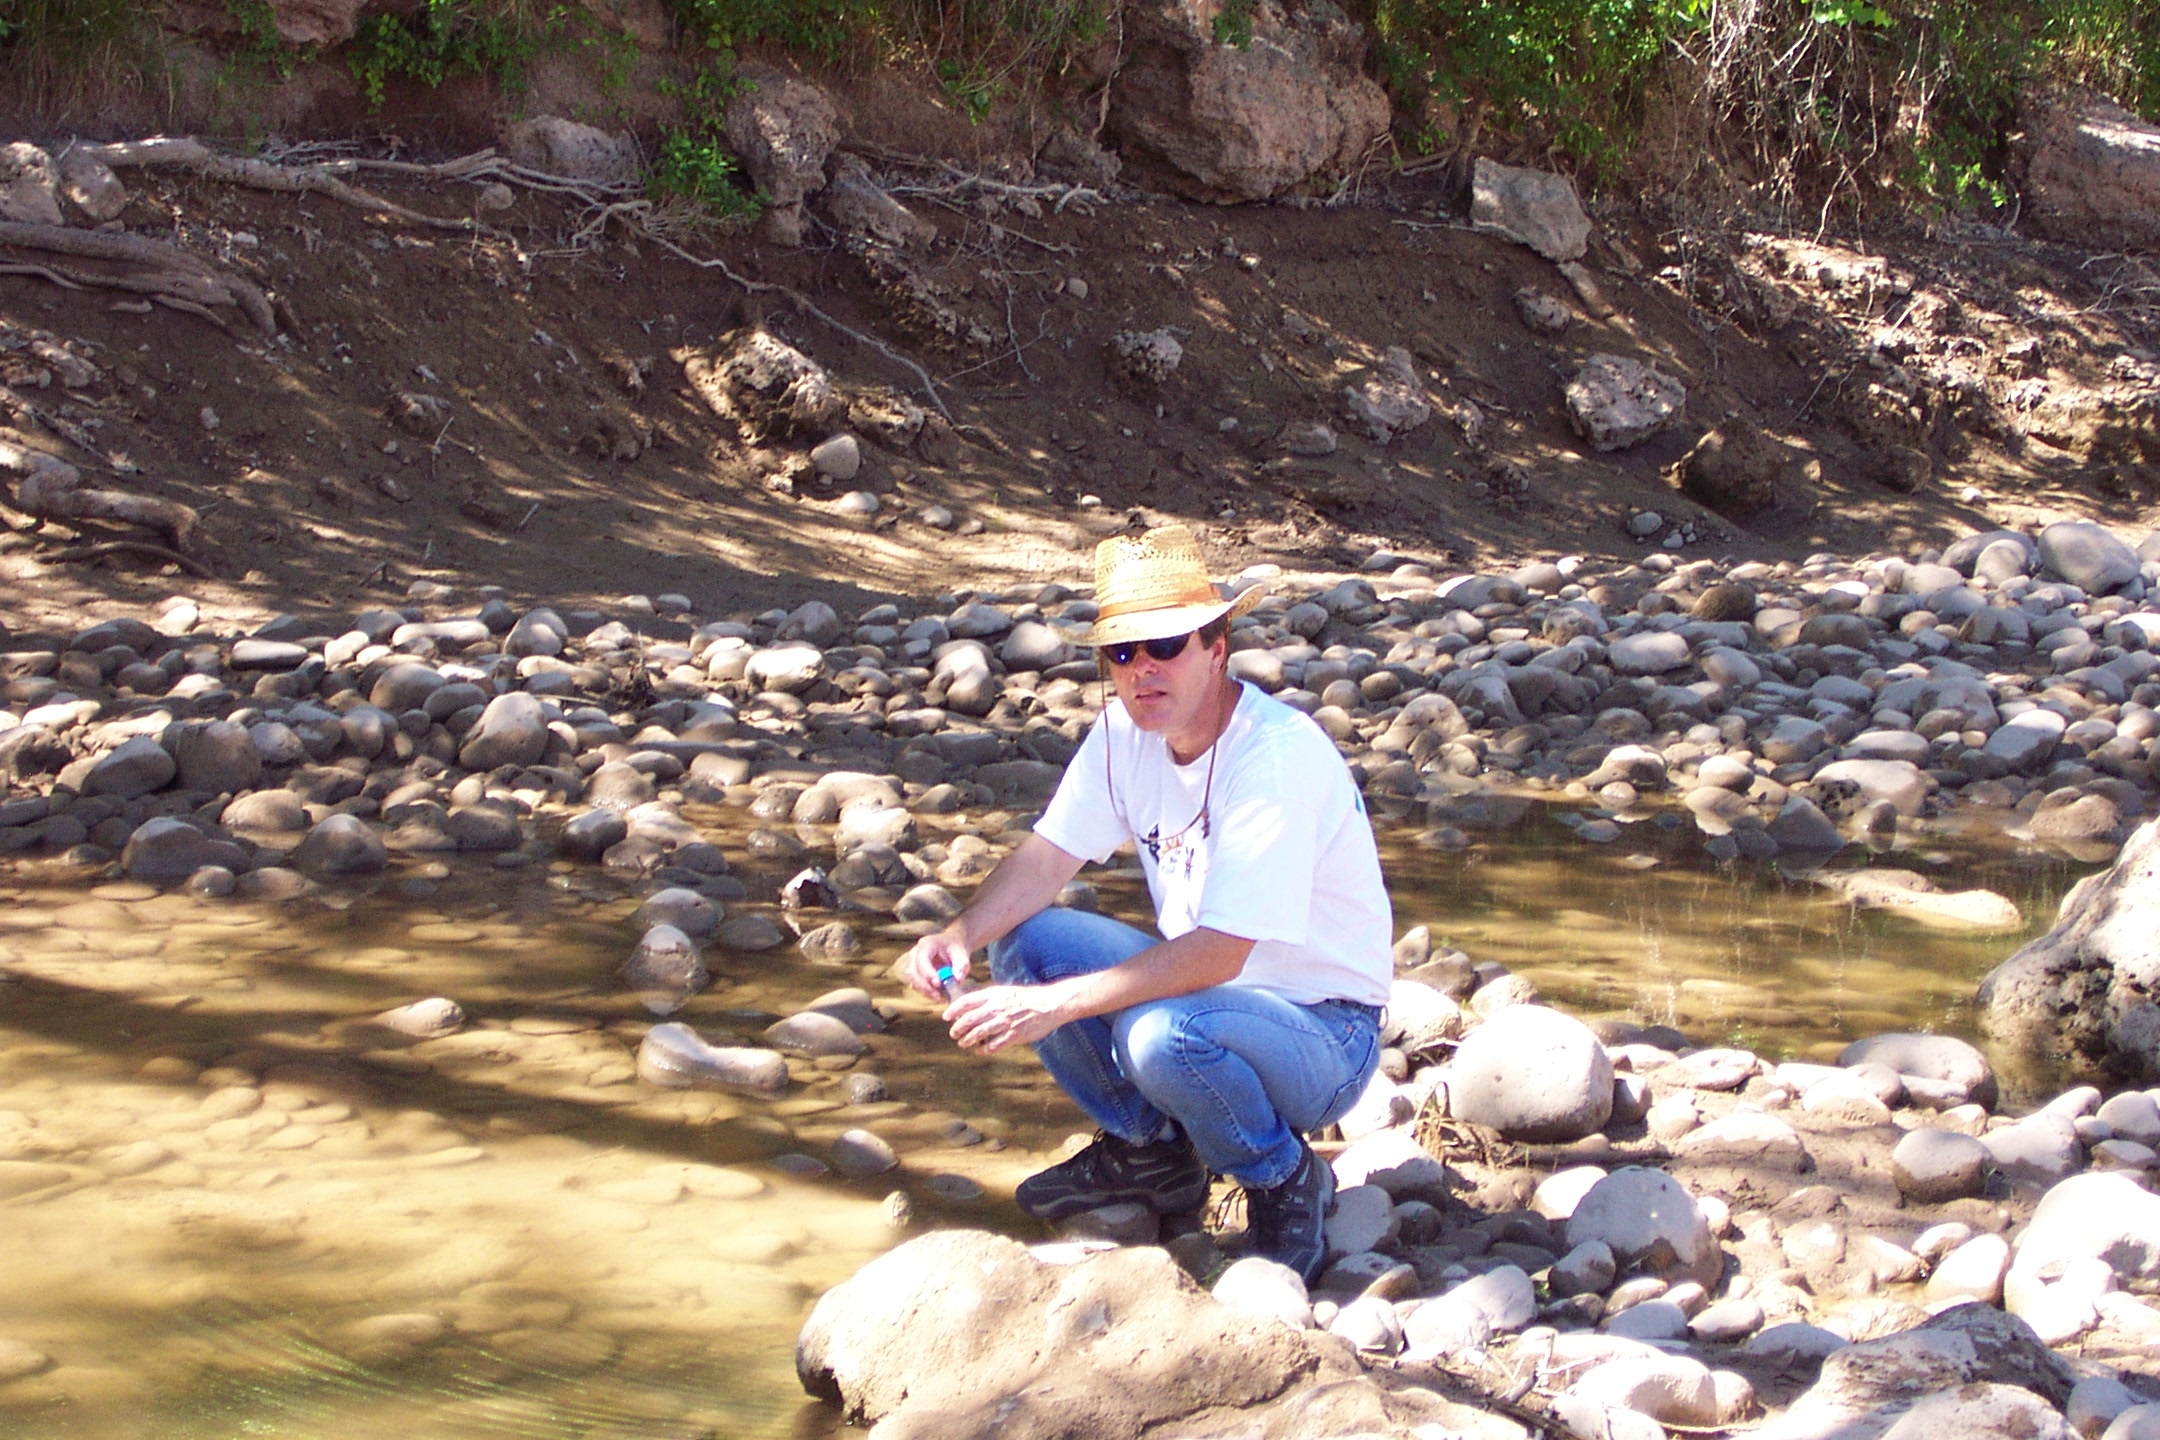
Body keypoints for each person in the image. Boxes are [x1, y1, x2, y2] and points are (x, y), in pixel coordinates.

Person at [902, 524, 1394, 1282]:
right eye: (1122, 653)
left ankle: (1281, 1175)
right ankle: (1152, 1154)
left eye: (1164, 646)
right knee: (1026, 945)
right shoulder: (1122, 735)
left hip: (1325, 1033)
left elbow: (1221, 951)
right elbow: (1045, 860)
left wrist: (1054, 1008)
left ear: (1216, 646)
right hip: (1215, 1000)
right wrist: (957, 935)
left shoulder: (1274, 757)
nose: (1141, 671)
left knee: (1159, 1037)